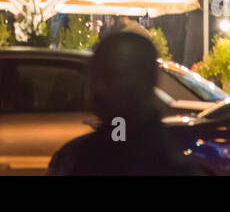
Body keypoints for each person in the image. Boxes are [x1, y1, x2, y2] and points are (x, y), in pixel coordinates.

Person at [48, 32, 209, 176]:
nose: (98, 88)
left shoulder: (75, 158)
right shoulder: (75, 157)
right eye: (95, 75)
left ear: (146, 80)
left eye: (111, 76)